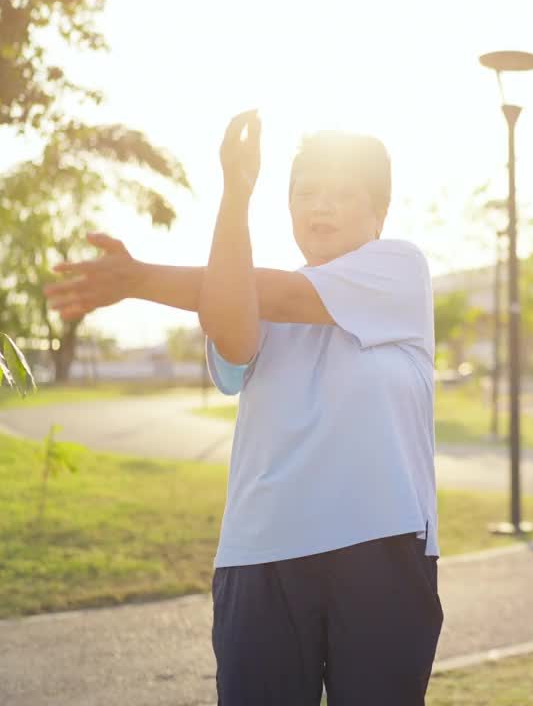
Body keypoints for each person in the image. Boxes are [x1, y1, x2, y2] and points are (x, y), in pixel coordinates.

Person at [44, 110, 443, 705]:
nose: (321, 207)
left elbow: (278, 294)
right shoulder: (241, 288)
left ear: (378, 213)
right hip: (260, 555)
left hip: (380, 548)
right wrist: (236, 193)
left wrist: (138, 278)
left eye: (342, 194)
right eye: (306, 193)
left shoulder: (398, 270)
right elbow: (233, 328)